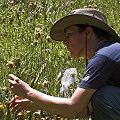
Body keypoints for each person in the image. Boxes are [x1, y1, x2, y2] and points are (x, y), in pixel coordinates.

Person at [9, 8, 120, 120]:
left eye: (69, 34)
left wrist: (28, 92)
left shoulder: (104, 56)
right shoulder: (108, 53)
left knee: (104, 96)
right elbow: (84, 110)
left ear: (88, 32)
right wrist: (38, 103)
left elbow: (73, 108)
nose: (65, 42)